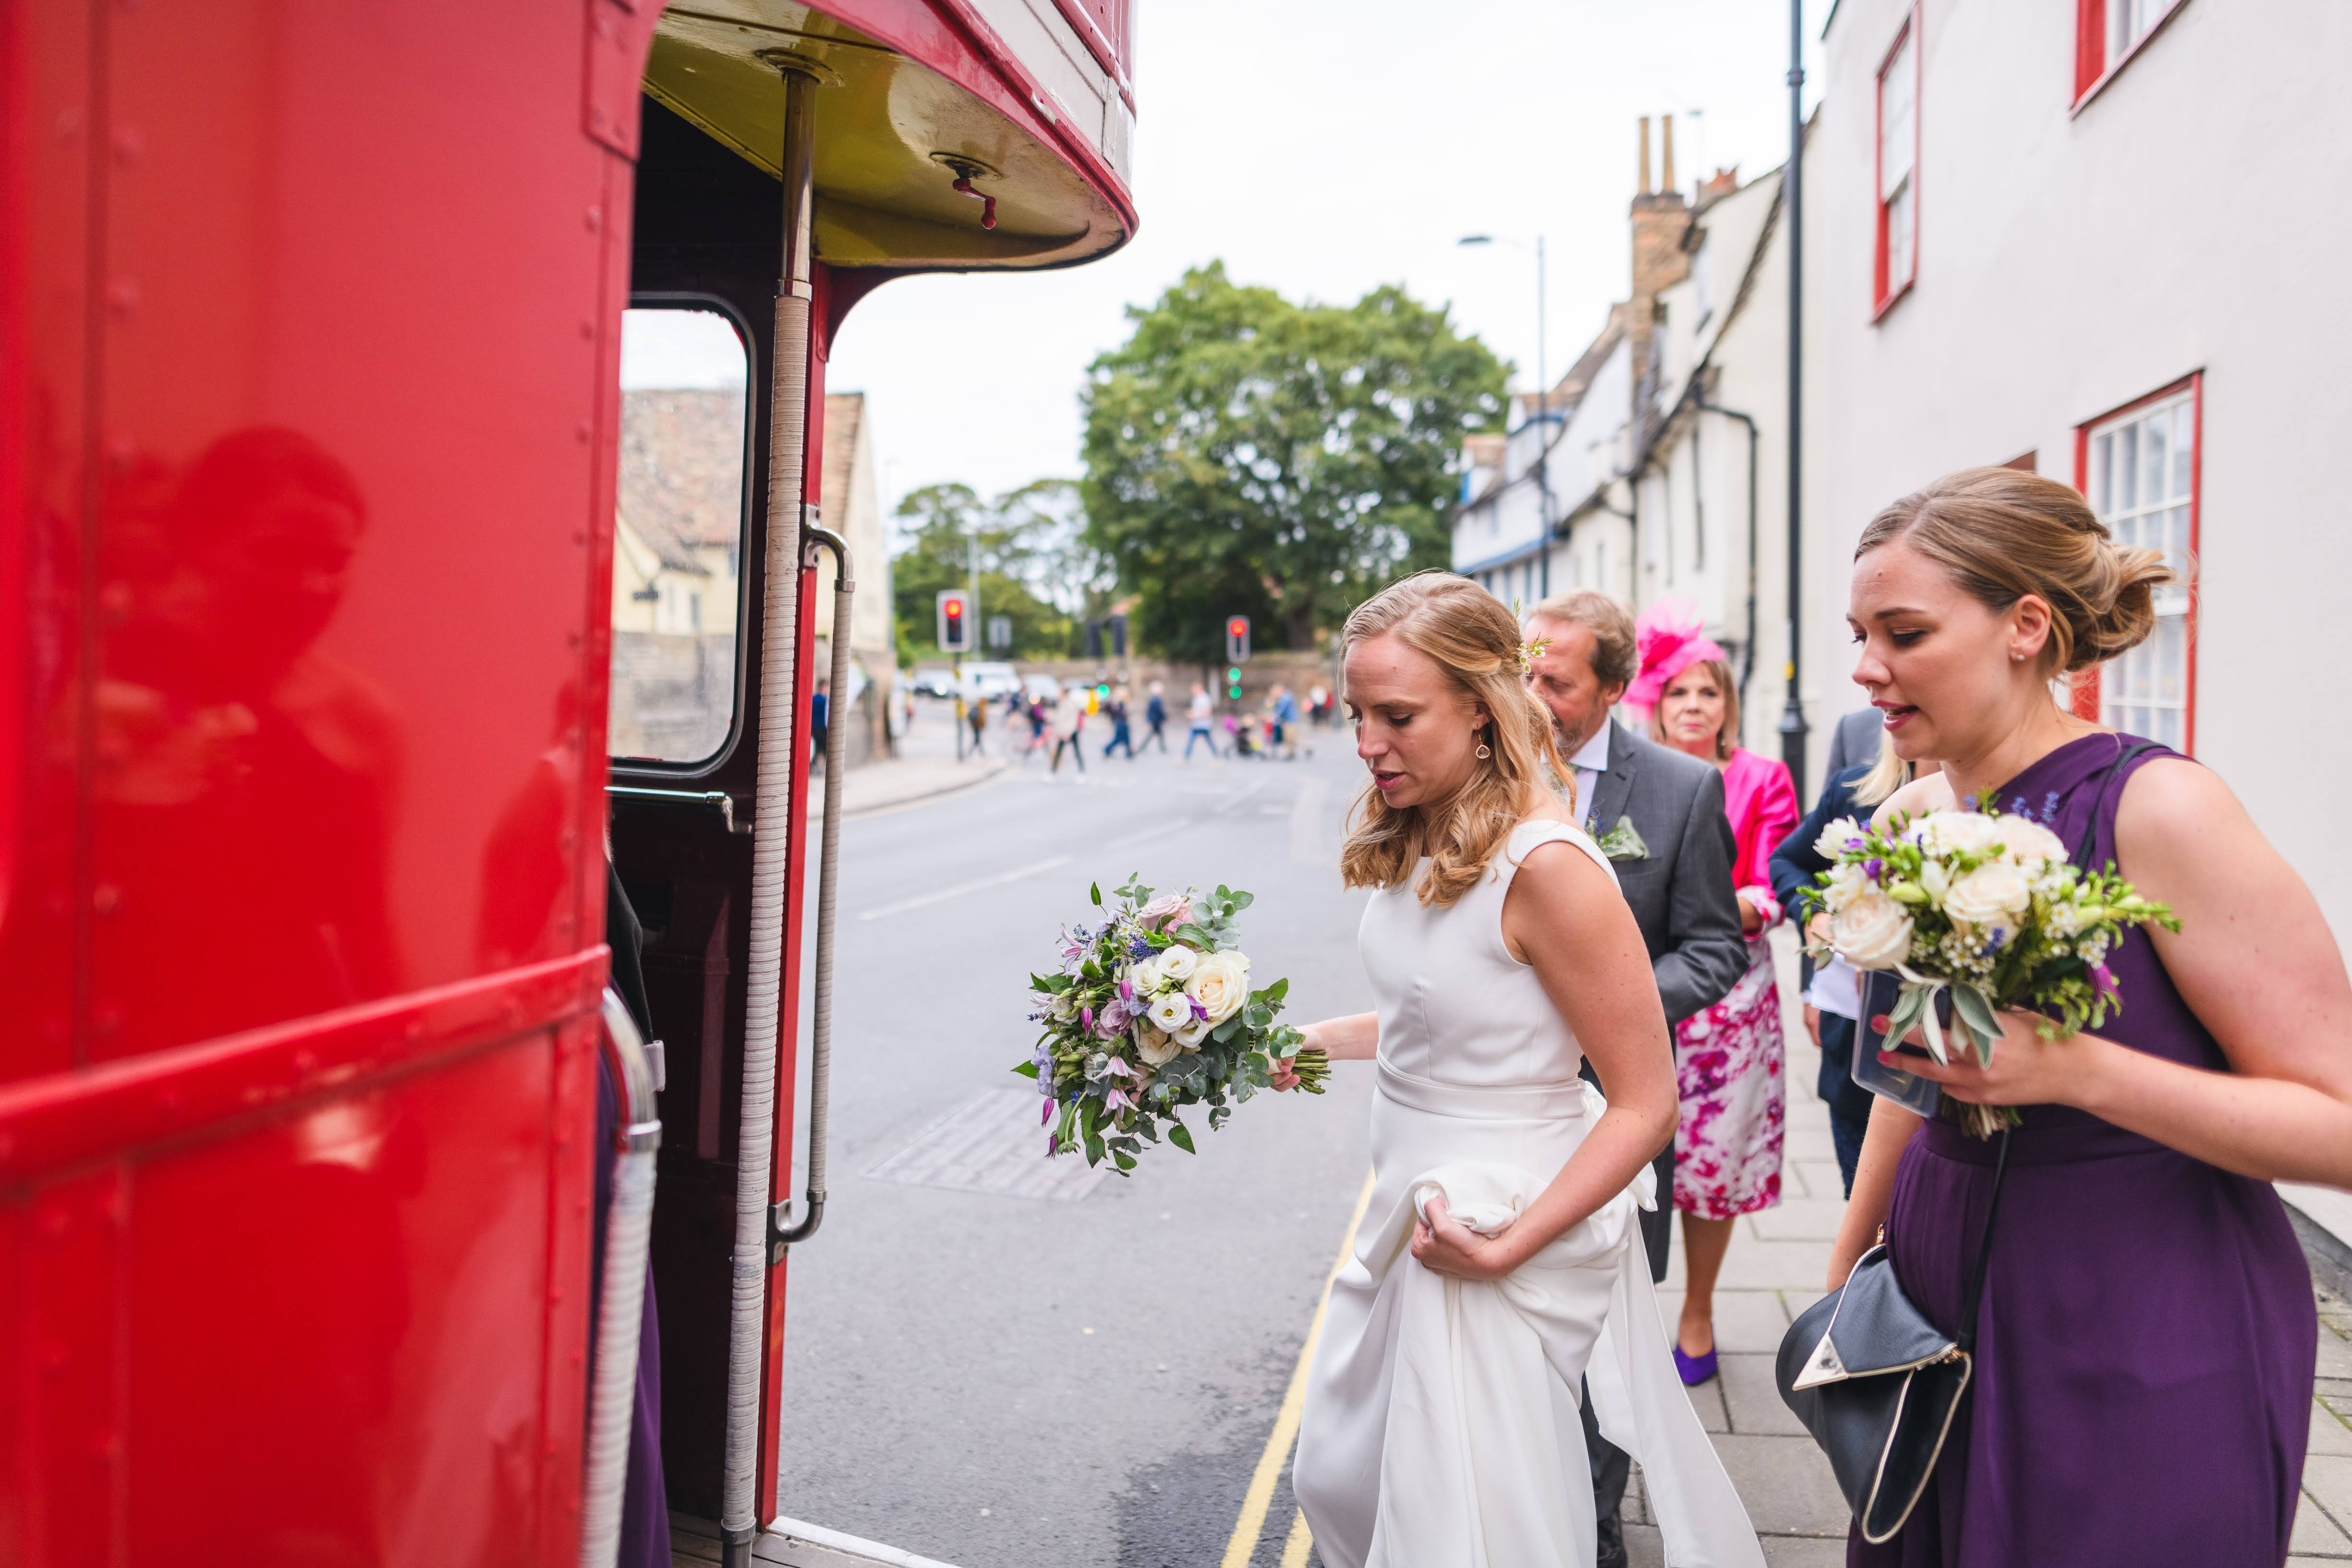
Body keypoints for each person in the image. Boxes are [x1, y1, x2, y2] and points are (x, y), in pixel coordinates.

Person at [1827, 467, 2352, 1564]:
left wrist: (2080, 1072)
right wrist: (1843, 1278)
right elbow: (1910, 1082)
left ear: (2024, 625)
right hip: (1937, 1276)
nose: (1865, 666)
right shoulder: (1918, 813)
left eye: (1902, 632)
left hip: (2139, 1299)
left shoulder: (2159, 807)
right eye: (1859, 632)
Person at [1285, 571, 1763, 1568]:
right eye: (1357, 714)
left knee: (1462, 1528)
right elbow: (1453, 1008)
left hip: (1486, 1225)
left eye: (1397, 715)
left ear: (1481, 708)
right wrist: (1317, 1041)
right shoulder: (1426, 822)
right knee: (1343, 1473)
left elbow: (1646, 1102)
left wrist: (1509, 1247)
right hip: (1401, 1202)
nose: (1368, 744)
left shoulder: (1549, 868)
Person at [1522, 589, 1750, 1565]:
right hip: (1499, 1108)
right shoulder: (1478, 775)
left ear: (1616, 688)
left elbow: (1714, 946)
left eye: (1555, 680)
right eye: (1521, 671)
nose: (1530, 695)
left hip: (1615, 1110)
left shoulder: (1678, 789)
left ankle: (1596, 1527)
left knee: (1600, 1339)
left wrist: (1606, 1002)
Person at [1626, 600, 1797, 1389]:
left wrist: (1698, 904)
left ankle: (1696, 1309)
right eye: (1678, 693)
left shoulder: (1760, 777)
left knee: (1708, 1165)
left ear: (1727, 704)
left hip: (1729, 1000)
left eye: (1708, 692)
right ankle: (1621, 1310)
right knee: (1630, 1152)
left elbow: (1769, 888)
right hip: (1640, 990)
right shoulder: (1631, 782)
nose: (1694, 706)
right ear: (1652, 703)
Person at [1768, 730, 1921, 1194]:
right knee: (1861, 1201)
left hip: (1942, 1058)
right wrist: (1813, 918)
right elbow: (1788, 863)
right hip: (1853, 1039)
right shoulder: (1855, 791)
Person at [1048, 684, 1086, 775]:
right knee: (1059, 752)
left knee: (1076, 752)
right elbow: (1060, 718)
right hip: (1063, 732)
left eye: (1059, 693)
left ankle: (1081, 772)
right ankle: (1053, 773)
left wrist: (1068, 732)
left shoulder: (1069, 704)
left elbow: (1073, 720)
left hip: (1070, 732)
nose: (1058, 694)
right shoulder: (1063, 703)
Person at [1182, 683, 1217, 760]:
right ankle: (1186, 757)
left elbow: (1207, 713)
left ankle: (1217, 756)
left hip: (1204, 725)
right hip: (1197, 724)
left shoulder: (1205, 699)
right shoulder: (1197, 698)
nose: (1193, 691)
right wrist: (1192, 713)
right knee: (1192, 742)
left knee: (1208, 741)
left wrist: (1193, 715)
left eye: (1194, 689)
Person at [1101, 687, 1134, 759]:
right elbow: (1121, 715)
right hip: (1121, 724)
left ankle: (1129, 752)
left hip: (1120, 724)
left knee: (1125, 739)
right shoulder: (1119, 705)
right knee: (1119, 739)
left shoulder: (1118, 704)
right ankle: (1107, 749)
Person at [1273, 682, 1300, 759]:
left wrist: (1275, 717)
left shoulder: (1286, 697)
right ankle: (1291, 753)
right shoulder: (1285, 696)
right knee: (1289, 738)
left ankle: (1306, 748)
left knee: (1290, 738)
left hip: (1290, 720)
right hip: (1288, 721)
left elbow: (1281, 709)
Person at [810, 677, 830, 771]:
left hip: (814, 727)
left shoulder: (814, 698)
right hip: (821, 727)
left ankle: (815, 766)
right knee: (823, 748)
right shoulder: (824, 700)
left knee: (817, 748)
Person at [1142, 681, 1169, 753]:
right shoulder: (1156, 700)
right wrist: (1165, 717)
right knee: (1153, 734)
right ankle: (1162, 748)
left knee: (1157, 734)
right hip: (1156, 720)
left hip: (1155, 720)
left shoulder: (1153, 699)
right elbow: (1159, 711)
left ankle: (1163, 748)